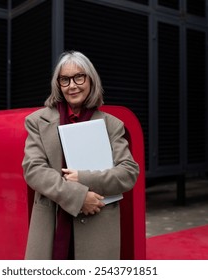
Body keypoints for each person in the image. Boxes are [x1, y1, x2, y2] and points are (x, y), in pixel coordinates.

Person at [22, 50, 139, 260]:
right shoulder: (38, 121)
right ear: (58, 84)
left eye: (79, 77)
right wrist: (78, 197)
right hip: (52, 221)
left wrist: (84, 179)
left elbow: (128, 173)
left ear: (91, 80)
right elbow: (34, 170)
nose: (72, 85)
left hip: (98, 224)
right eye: (65, 80)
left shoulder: (112, 124)